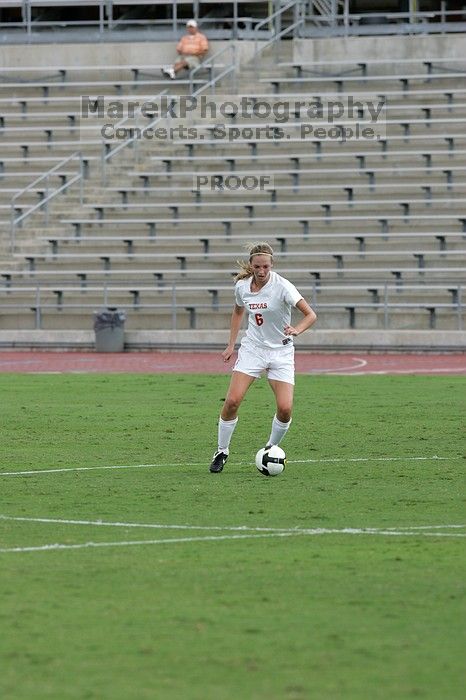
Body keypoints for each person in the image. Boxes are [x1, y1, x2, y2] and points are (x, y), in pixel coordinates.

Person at [209, 242, 317, 473]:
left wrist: (297, 329)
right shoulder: (242, 287)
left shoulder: (283, 286)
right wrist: (231, 345)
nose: (261, 271)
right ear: (251, 265)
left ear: (272, 265)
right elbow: (238, 311)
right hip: (253, 349)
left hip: (281, 351)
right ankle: (221, 450)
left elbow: (311, 315)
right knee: (232, 402)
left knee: (285, 409)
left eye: (266, 267)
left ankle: (270, 448)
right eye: (257, 266)